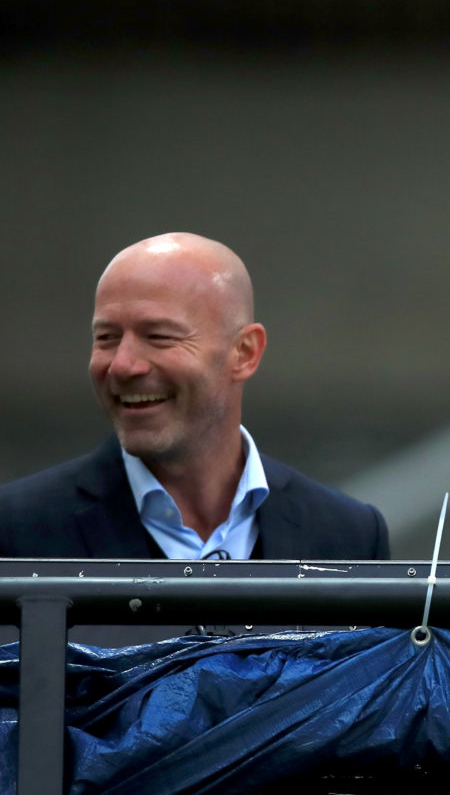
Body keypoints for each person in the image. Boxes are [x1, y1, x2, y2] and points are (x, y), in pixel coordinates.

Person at [0, 232, 389, 561]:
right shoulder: (17, 532)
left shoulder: (349, 538)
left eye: (159, 336)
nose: (122, 365)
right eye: (106, 338)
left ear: (244, 353)